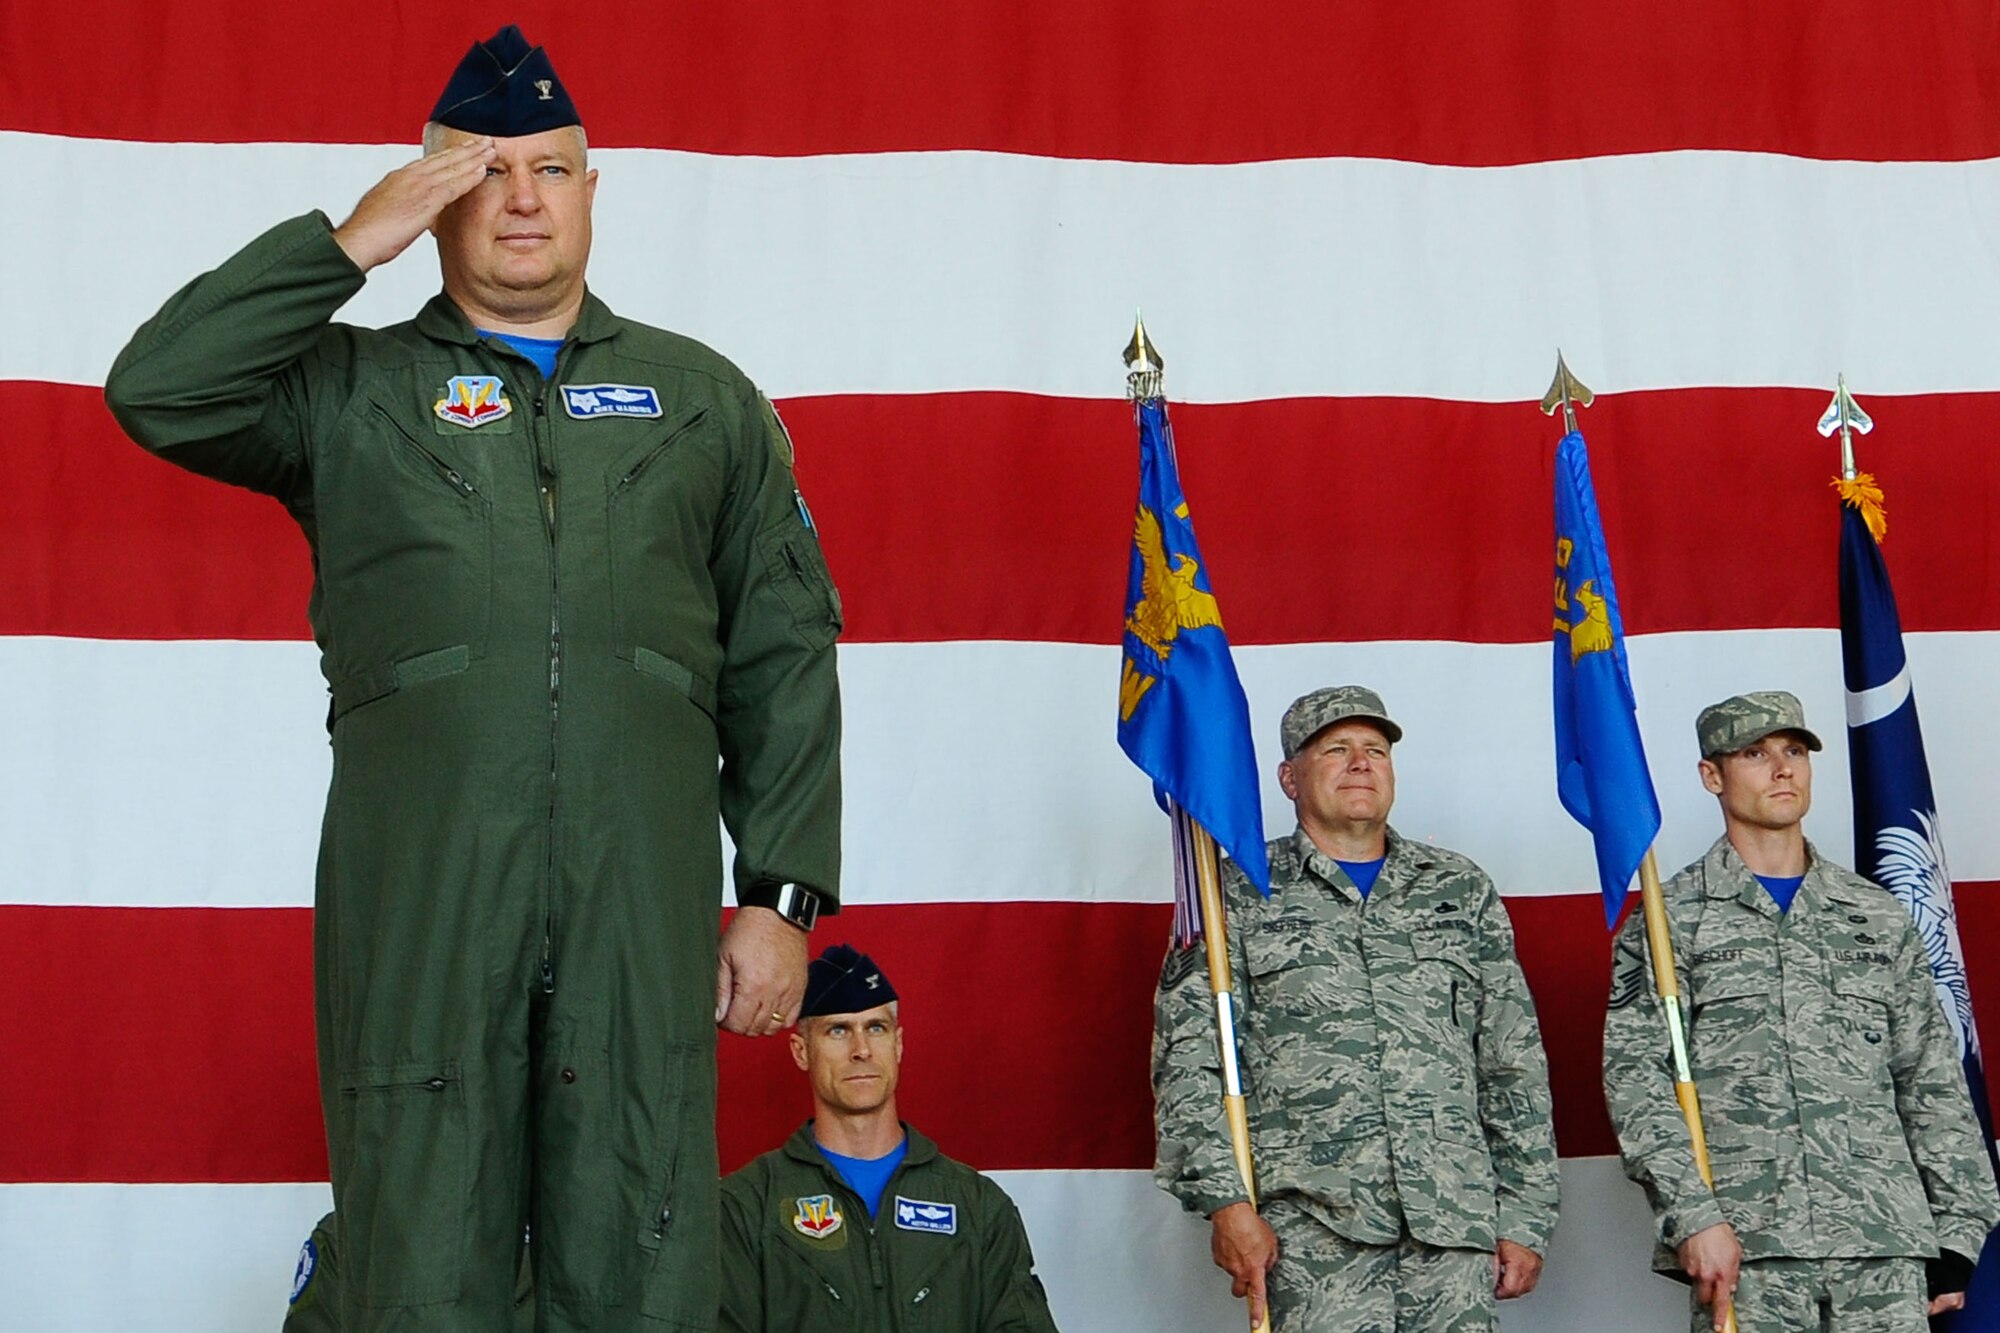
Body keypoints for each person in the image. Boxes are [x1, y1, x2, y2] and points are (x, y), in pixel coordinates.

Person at [103, 26, 842, 1330]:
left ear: (592, 192)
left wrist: (779, 892)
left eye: (549, 169)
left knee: (640, 1231)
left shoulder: (701, 401)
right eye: (478, 172)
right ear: (430, 193)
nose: (518, 199)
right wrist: (344, 247)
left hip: (638, 890)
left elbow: (785, 645)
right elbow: (160, 390)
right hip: (423, 889)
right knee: (423, 1234)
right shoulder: (352, 394)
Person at [1152, 686, 1560, 1332]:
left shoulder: (1458, 890)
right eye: (1336, 748)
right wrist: (1227, 1204)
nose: (1361, 762)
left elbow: (1512, 1063)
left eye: (1376, 748)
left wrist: (1527, 1214)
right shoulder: (1234, 895)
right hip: (1313, 1238)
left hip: (1452, 1234)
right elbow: (1190, 1062)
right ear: (1289, 777)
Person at [1603, 691, 1999, 1333]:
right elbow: (1639, 1085)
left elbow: (1930, 1077)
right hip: (1749, 1246)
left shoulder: (1873, 915)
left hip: (1883, 1243)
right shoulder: (1669, 921)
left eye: (1794, 751)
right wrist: (1694, 1218)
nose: (1782, 768)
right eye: (1755, 754)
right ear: (1713, 776)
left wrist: (1958, 1228)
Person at [719, 944, 1061, 1332]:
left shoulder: (978, 1207)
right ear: (801, 1052)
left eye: (876, 1028)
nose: (861, 1050)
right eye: (838, 1030)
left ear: (897, 1045)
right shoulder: (747, 1207)